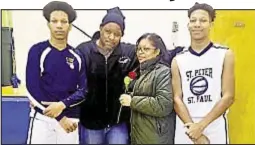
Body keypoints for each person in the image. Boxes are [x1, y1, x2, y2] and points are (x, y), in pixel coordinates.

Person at [172, 2, 235, 144]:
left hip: (214, 125)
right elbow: (177, 99)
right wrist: (194, 132)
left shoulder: (225, 54)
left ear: (211, 24)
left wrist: (200, 127)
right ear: (188, 25)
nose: (197, 24)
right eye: (193, 20)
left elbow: (228, 96)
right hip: (186, 126)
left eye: (203, 20)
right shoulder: (178, 60)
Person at [25, 1, 87, 144]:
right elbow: (32, 88)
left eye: (64, 21)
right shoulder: (37, 51)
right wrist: (60, 117)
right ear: (48, 24)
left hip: (70, 121)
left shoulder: (77, 55)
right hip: (43, 118)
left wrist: (63, 105)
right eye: (54, 21)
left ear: (70, 26)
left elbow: (83, 91)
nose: (59, 25)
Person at [76, 7, 138, 144]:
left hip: (118, 123)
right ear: (100, 28)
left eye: (117, 34)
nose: (111, 37)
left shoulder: (129, 53)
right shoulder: (83, 51)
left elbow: (151, 54)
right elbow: (69, 79)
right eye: (107, 32)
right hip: (90, 123)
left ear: (122, 35)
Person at [119, 33, 175, 144]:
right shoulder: (142, 72)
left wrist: (132, 101)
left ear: (157, 51)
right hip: (141, 138)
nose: (140, 52)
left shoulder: (163, 72)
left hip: (156, 139)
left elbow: (163, 104)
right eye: (139, 49)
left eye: (146, 49)